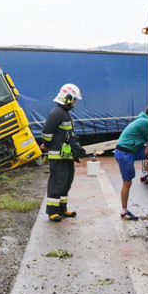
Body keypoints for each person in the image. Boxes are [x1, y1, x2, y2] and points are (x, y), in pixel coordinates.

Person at [39, 83, 87, 222]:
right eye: (74, 99)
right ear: (67, 98)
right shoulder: (56, 113)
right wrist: (47, 145)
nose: (75, 102)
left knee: (67, 181)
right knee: (57, 182)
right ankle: (52, 211)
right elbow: (46, 133)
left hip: (66, 154)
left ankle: (62, 209)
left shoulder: (65, 113)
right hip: (57, 155)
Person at [115, 108, 148, 220]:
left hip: (130, 150)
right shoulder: (145, 122)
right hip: (125, 153)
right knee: (127, 183)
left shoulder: (142, 117)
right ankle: (124, 211)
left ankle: (145, 172)